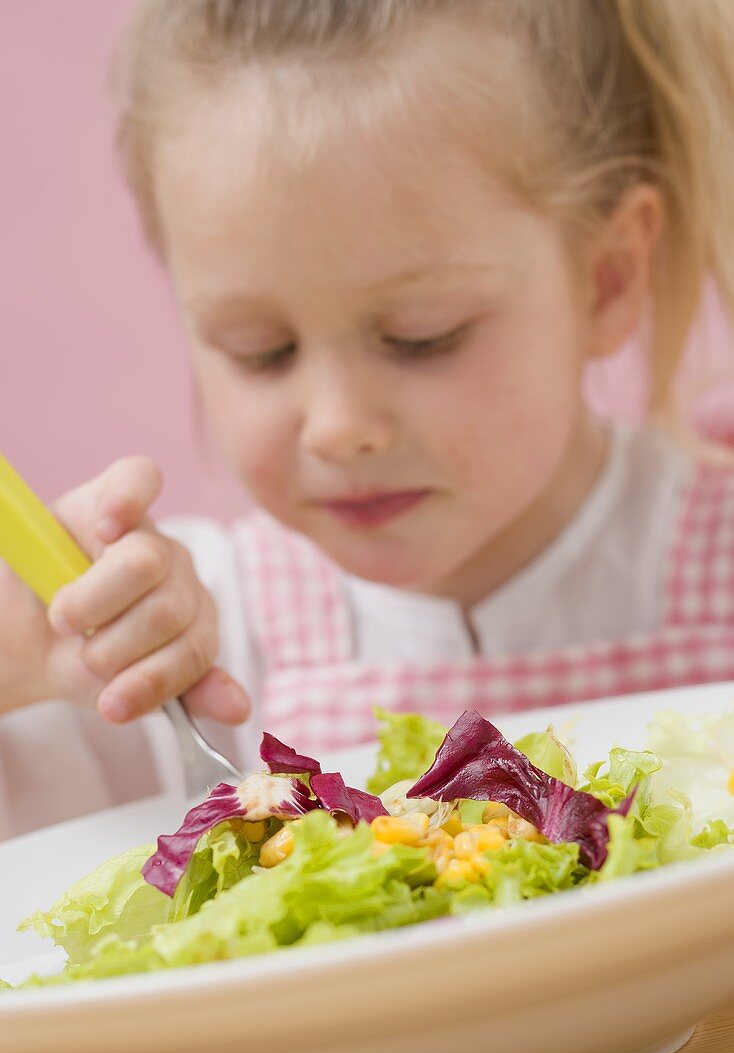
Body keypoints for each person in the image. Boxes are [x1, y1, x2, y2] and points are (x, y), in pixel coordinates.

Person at [1, 0, 734, 839]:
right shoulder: (177, 645)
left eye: (423, 337)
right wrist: (22, 673)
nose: (337, 428)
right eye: (261, 350)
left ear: (606, 279)